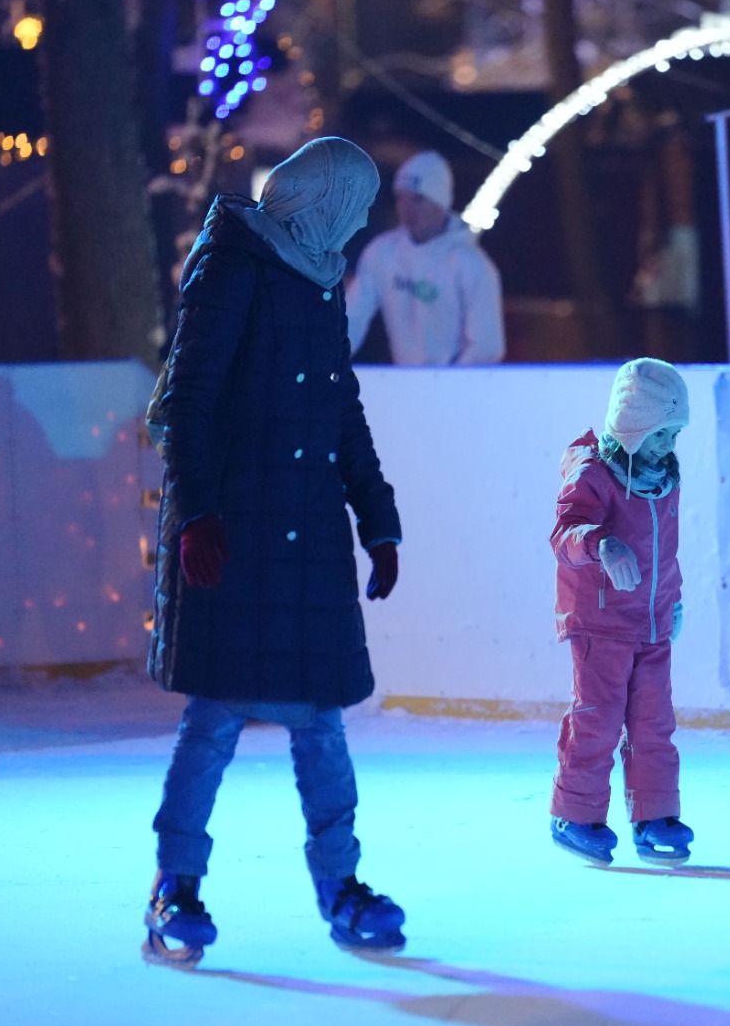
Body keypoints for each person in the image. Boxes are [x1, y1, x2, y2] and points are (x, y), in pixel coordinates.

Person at [141, 137, 407, 965]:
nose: (362, 223)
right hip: (240, 529)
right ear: (320, 199)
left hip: (309, 535)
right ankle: (173, 887)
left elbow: (341, 408)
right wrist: (196, 515)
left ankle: (342, 888)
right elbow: (188, 401)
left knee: (320, 724)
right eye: (355, 204)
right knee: (215, 717)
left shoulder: (322, 277)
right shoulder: (234, 268)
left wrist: (379, 517)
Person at [550, 358, 694, 867]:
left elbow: (666, 552)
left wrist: (673, 601)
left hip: (651, 624)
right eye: (660, 433)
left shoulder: (664, 478)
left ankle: (653, 815)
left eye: (675, 434)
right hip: (600, 625)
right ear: (632, 426)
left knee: (655, 724)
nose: (669, 445)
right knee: (598, 721)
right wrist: (602, 545)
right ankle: (575, 814)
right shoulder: (594, 476)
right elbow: (563, 537)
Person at [343, 149, 505, 366]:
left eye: (418, 199)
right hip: (409, 385)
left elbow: (487, 347)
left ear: (441, 203)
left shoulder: (470, 264)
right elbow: (351, 320)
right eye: (401, 198)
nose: (407, 209)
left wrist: (444, 385)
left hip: (454, 391)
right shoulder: (382, 253)